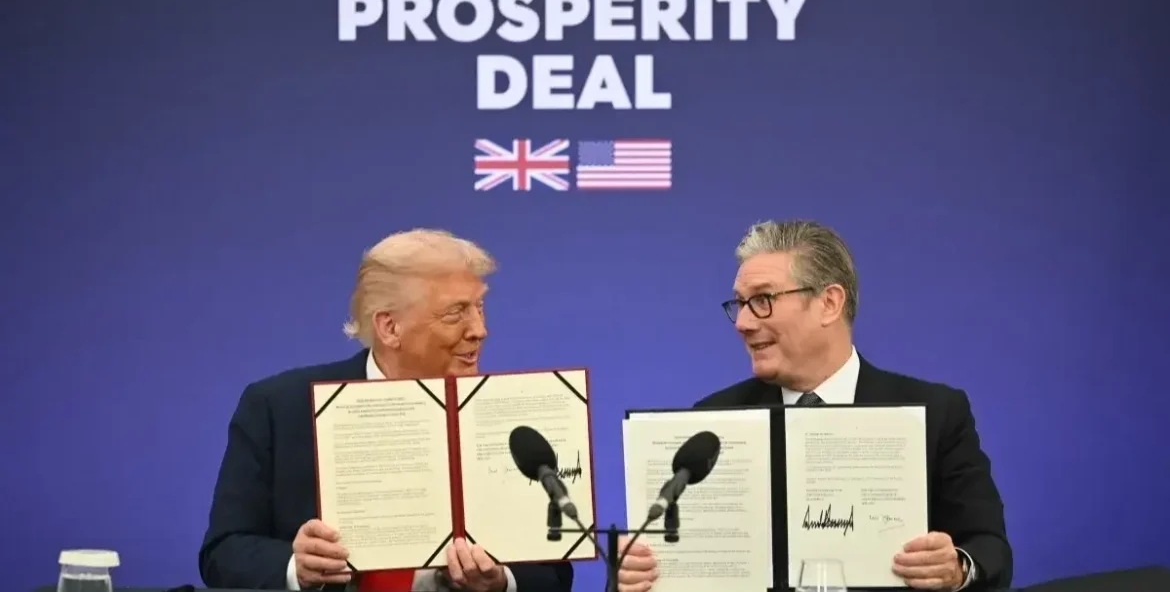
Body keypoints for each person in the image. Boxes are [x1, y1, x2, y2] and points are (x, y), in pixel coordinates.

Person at [616, 220, 1012, 592]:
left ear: (829, 303)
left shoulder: (935, 413)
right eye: (739, 304)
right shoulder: (712, 423)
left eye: (762, 300)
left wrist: (957, 568)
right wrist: (632, 576)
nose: (743, 323)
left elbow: (989, 548)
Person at [198, 229, 574, 592]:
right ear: (390, 327)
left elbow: (554, 572)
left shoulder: (511, 422)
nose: (479, 329)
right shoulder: (279, 407)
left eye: (479, 307)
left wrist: (501, 580)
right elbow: (224, 552)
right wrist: (297, 567)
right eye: (455, 313)